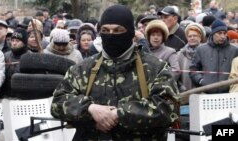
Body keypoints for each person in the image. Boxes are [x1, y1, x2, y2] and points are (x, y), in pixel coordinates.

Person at [51, 5, 179, 141]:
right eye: (105, 30)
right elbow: (58, 102)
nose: (111, 35)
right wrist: (90, 109)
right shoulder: (84, 68)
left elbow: (168, 107)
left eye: (118, 30)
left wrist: (119, 114)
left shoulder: (155, 68)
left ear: (130, 33)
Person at [190, 19, 238, 94]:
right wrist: (201, 80)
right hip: (207, 94)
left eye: (225, 33)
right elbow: (193, 69)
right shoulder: (201, 49)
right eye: (219, 33)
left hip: (228, 94)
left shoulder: (234, 50)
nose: (223, 36)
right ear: (213, 33)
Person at [1, 28, 30, 97]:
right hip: (6, 95)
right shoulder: (5, 56)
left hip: (25, 96)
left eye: (17, 41)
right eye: (12, 40)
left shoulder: (30, 57)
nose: (14, 43)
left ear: (24, 43)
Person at [177, 23, 206, 92]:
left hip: (203, 93)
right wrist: (182, 88)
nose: (192, 38)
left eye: (195, 36)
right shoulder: (180, 54)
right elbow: (176, 75)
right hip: (185, 93)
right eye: (190, 36)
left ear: (200, 37)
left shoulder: (206, 52)